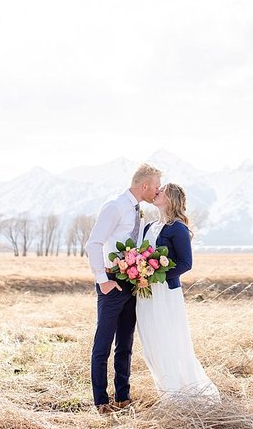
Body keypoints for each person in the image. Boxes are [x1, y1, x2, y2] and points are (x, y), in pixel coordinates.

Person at [85, 163, 162, 414]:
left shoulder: (138, 211)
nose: (158, 191)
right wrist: (102, 280)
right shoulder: (115, 206)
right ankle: (100, 401)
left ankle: (122, 398)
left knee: (125, 345)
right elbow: (93, 244)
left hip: (131, 283)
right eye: (157, 186)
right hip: (111, 282)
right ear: (145, 185)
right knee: (103, 345)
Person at [137, 183, 220, 402]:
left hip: (166, 292)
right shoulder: (149, 227)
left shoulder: (178, 228)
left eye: (161, 191)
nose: (157, 192)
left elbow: (185, 263)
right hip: (145, 293)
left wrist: (157, 275)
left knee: (170, 339)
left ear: (171, 198)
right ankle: (165, 388)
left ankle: (178, 391)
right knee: (151, 341)